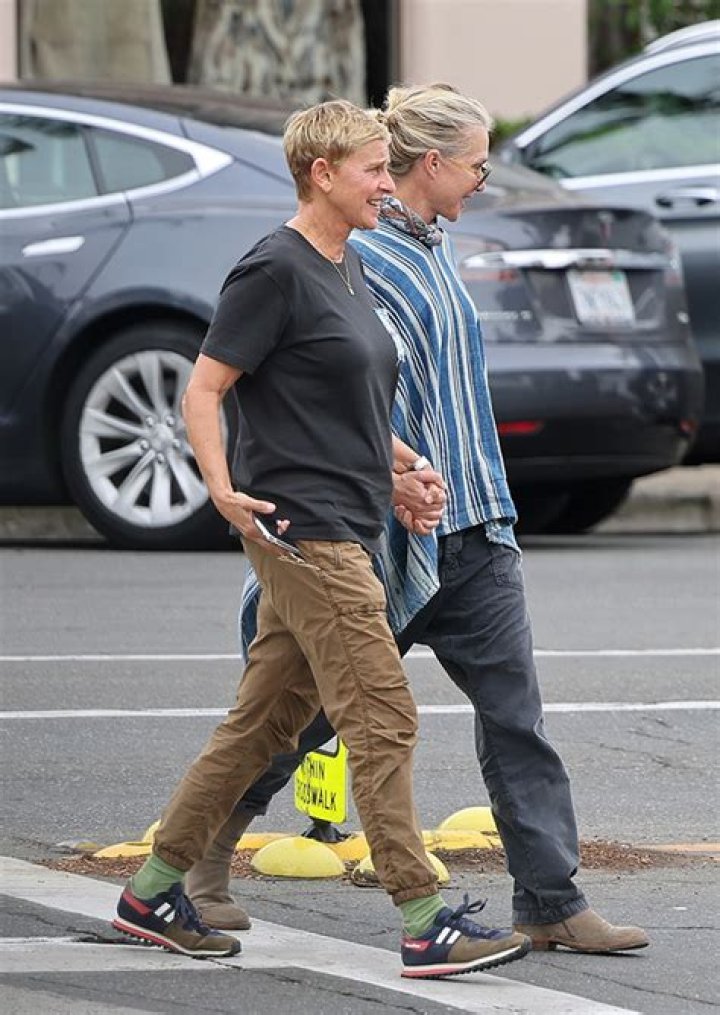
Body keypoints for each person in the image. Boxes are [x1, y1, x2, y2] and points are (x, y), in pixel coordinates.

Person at [186, 85, 650, 957]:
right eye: (476, 163)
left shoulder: (433, 249)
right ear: (430, 163)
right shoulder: (361, 257)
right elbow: (338, 391)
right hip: (386, 537)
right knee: (303, 712)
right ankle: (198, 863)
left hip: (475, 522)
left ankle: (550, 897)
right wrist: (399, 476)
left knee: (517, 716)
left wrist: (463, 489)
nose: (483, 179)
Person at [111, 98, 531, 978]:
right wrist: (222, 490)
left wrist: (401, 471)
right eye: (375, 169)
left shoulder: (345, 266)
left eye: (388, 167)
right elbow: (204, 388)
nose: (390, 181)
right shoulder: (274, 269)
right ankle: (423, 919)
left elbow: (342, 404)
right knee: (383, 713)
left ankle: (153, 890)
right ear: (322, 174)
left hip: (351, 517)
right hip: (304, 531)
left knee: (259, 726)